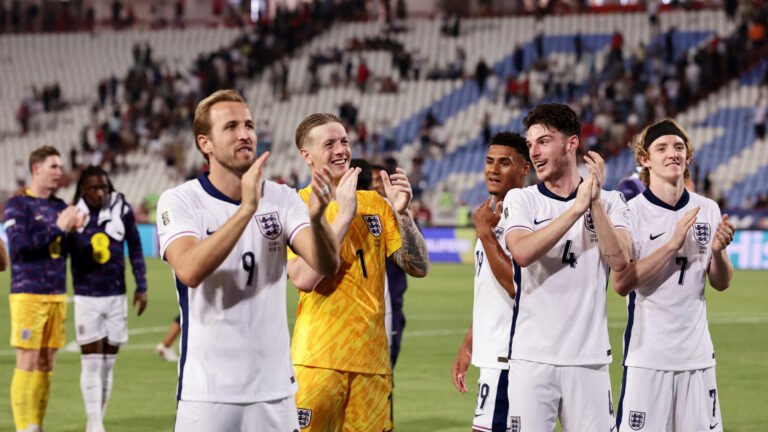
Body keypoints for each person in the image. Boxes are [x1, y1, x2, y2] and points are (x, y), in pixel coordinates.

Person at [156, 89, 340, 431]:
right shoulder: (180, 201)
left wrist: (317, 220)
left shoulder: (283, 197)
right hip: (208, 393)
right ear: (205, 143)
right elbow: (190, 269)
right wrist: (247, 210)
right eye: (231, 127)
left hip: (275, 393)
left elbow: (326, 265)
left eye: (249, 124)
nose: (245, 134)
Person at [288, 113, 429, 431]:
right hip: (317, 361)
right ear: (306, 155)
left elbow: (418, 267)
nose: (341, 150)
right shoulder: (297, 204)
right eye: (329, 144)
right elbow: (304, 278)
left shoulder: (376, 204)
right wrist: (343, 215)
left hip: (373, 364)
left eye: (344, 141)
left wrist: (404, 215)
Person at [501, 103, 632, 432]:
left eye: (543, 141)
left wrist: (595, 203)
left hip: (588, 360)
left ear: (572, 143)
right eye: (530, 144)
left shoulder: (613, 202)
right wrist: (576, 209)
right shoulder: (522, 199)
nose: (533, 152)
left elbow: (621, 262)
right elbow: (522, 252)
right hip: (532, 359)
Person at [612, 119, 735, 432]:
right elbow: (621, 284)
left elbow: (721, 283)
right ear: (644, 159)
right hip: (648, 358)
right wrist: (672, 244)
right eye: (662, 148)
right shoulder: (631, 211)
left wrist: (719, 251)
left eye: (679, 147)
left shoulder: (707, 208)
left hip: (697, 358)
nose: (673, 154)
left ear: (688, 157)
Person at [451, 132, 530, 432]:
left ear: (525, 169)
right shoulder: (492, 214)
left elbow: (515, 284)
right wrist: (471, 343)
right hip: (492, 352)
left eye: (504, 162)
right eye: (489, 161)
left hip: (508, 356)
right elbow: (490, 291)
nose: (493, 169)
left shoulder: (523, 215)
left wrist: (485, 233)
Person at [4, 145, 86, 432]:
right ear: (36, 169)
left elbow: (71, 251)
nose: (59, 172)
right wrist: (58, 229)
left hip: (57, 294)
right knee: (26, 359)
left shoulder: (58, 206)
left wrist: (77, 232)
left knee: (47, 361)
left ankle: (35, 425)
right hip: (28, 295)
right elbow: (18, 247)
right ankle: (21, 428)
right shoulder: (17, 205)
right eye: (53, 166)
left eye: (61, 167)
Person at [69, 165, 148, 432]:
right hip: (86, 295)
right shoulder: (73, 214)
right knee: (91, 363)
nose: (100, 192)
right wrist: (71, 232)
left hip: (117, 294)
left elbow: (135, 246)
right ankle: (95, 425)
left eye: (104, 187)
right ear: (83, 189)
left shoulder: (121, 208)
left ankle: (95, 423)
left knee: (108, 365)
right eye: (94, 188)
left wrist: (142, 285)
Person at [371, 163, 410, 369]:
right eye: (374, 180)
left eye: (382, 180)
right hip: (361, 308)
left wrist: (401, 214)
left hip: (391, 305)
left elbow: (417, 261)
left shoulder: (398, 214)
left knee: (385, 374)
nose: (377, 185)